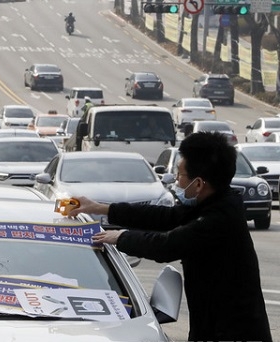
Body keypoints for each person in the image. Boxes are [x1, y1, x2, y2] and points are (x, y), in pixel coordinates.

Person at [68, 132, 272, 342]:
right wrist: (100, 208)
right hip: (211, 325)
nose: (176, 181)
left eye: (180, 176)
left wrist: (121, 237)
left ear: (199, 184)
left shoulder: (219, 217)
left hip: (234, 332)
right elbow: (164, 216)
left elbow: (166, 246)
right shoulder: (212, 201)